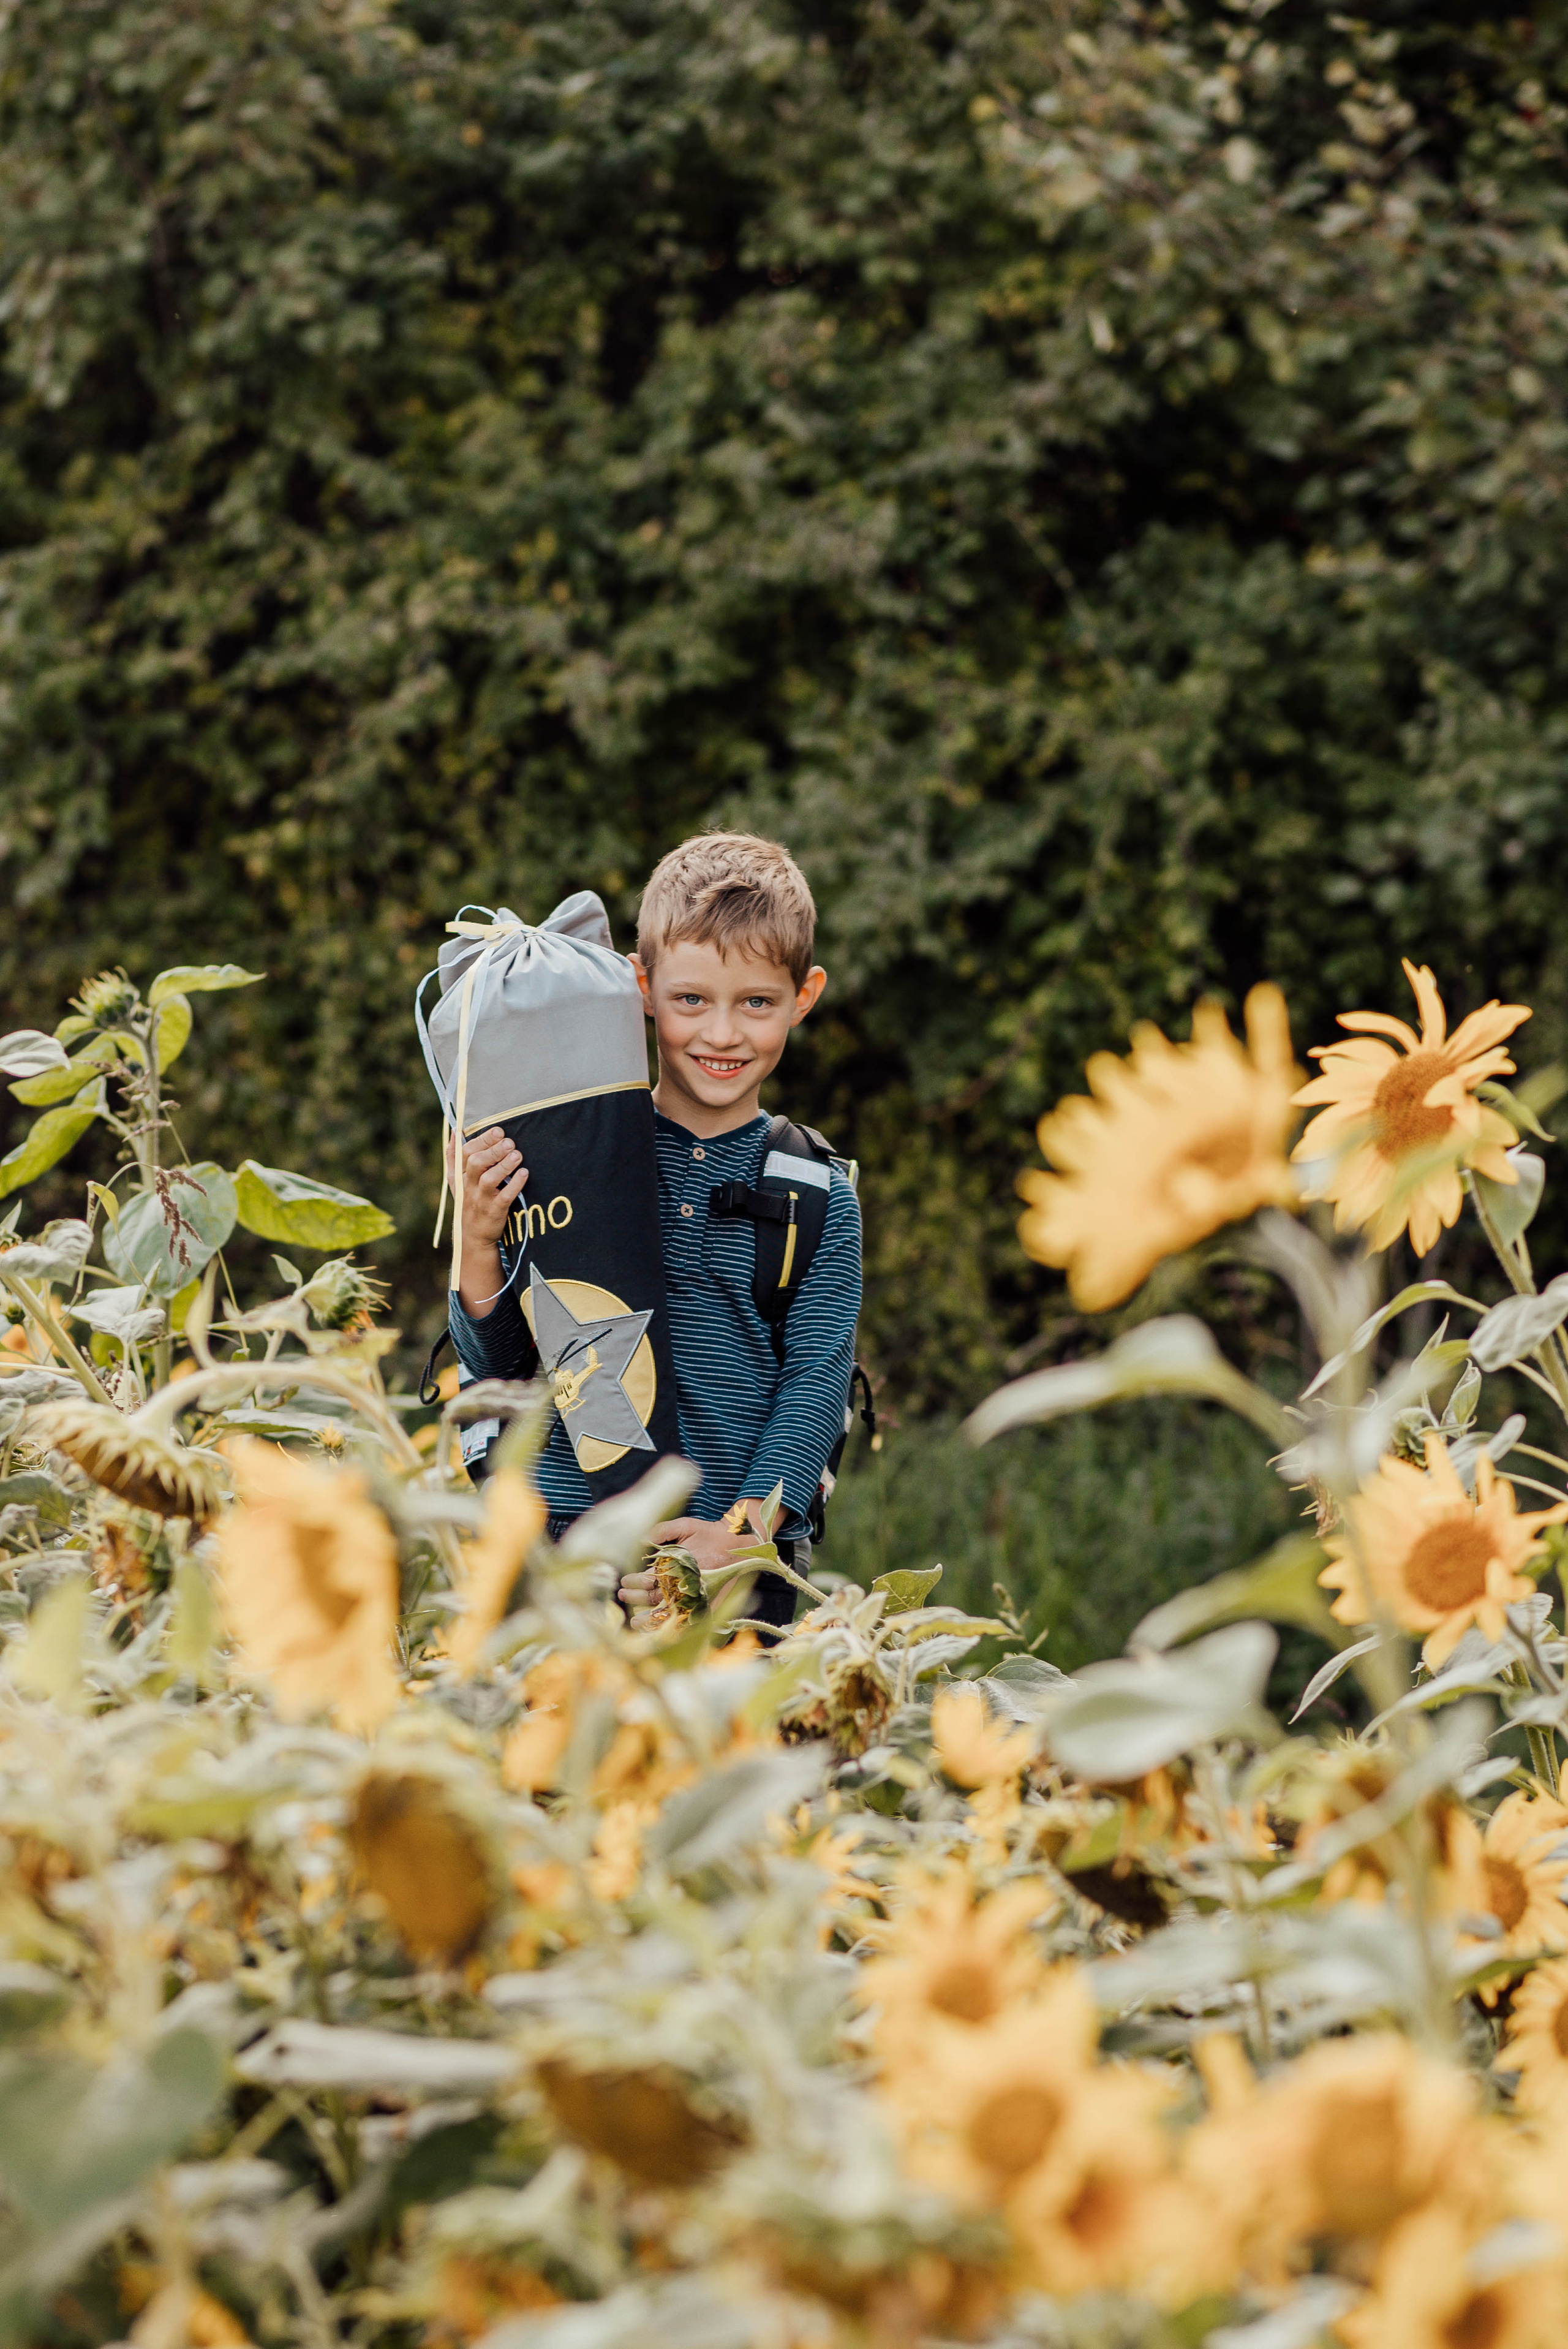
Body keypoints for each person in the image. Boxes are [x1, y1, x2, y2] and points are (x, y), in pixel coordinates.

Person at [446, 831, 862, 1629]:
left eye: (758, 1003)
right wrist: (476, 1237)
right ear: (640, 987)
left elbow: (813, 1386)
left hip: (736, 1580)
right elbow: (496, 1367)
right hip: (566, 1566)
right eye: (691, 1000)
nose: (722, 1034)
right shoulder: (566, 1152)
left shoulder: (816, 1194)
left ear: (804, 995)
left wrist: (739, 1536)